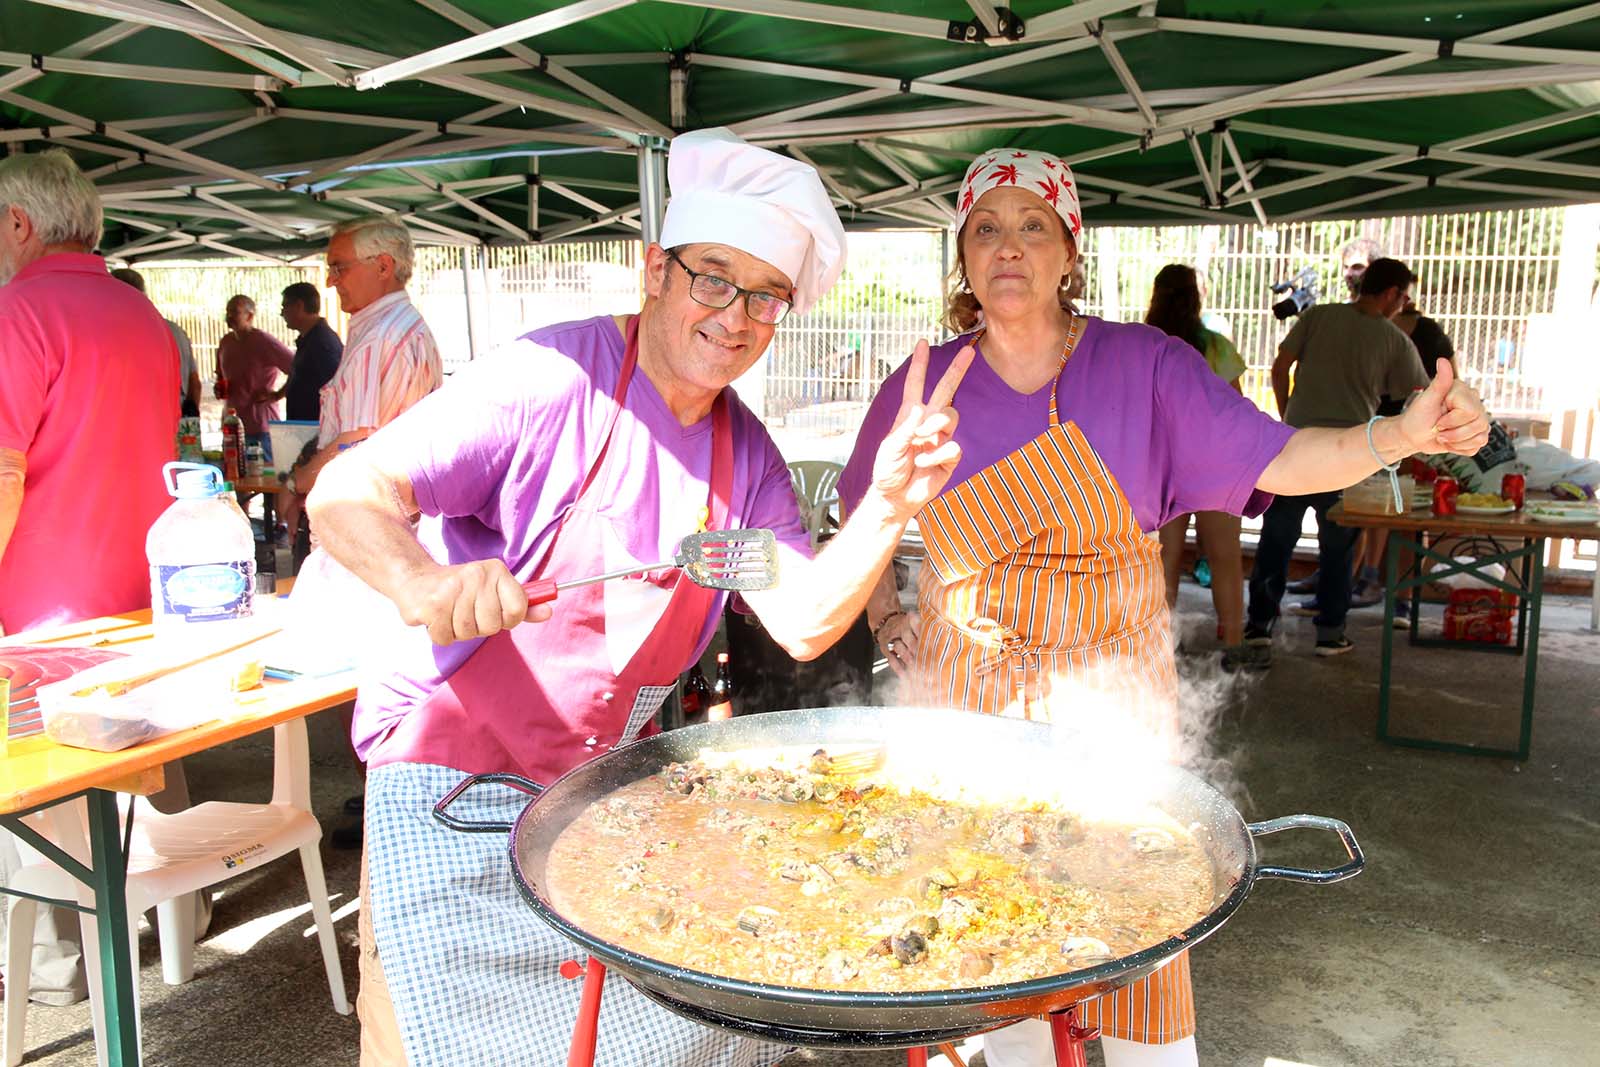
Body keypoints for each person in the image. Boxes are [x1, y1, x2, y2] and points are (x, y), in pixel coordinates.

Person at [305, 127, 970, 1067]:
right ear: (656, 268)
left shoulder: (745, 465)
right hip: (449, 788)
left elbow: (807, 614)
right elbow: (346, 491)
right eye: (712, 277)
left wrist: (892, 502)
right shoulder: (548, 383)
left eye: (766, 294)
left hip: (592, 802)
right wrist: (427, 581)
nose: (734, 316)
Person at [841, 148, 1489, 1067]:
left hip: (1112, 715)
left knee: (1138, 960)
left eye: (1033, 225)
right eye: (986, 227)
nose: (1009, 247)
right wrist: (884, 617)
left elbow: (1283, 460)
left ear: (1071, 248)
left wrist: (1398, 435)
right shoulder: (925, 382)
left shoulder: (1144, 364)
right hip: (968, 721)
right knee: (994, 969)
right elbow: (861, 512)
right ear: (963, 253)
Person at [0, 148, 179, 1004]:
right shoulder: (142, 317)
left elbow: (1, 472)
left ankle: (56, 969)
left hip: (42, 609)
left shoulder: (17, 312)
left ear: (20, 224)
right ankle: (170, 911)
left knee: (41, 799)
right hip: (144, 589)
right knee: (153, 758)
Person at [1246, 258, 1432, 660]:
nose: (1404, 305)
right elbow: (1419, 394)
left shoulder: (1319, 318)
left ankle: (1258, 626)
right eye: (1403, 297)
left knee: (1276, 539)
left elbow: (1280, 368)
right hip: (1348, 455)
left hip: (1292, 447)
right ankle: (1330, 633)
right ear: (1389, 294)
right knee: (1339, 548)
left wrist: (1286, 415)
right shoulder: (1394, 340)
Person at [1144, 264, 1253, 670]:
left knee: (1164, 559)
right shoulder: (1216, 347)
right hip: (1215, 465)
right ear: (1196, 297)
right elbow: (1237, 406)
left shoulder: (1144, 343)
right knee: (1225, 555)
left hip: (1159, 467)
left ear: (1156, 295)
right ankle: (1234, 646)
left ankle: (1161, 646)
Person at [269, 281, 344, 545]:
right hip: (309, 440)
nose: (282, 313)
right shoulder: (310, 340)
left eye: (285, 307)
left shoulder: (323, 344)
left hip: (320, 444)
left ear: (299, 306)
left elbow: (335, 399)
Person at [111, 266, 199, 417]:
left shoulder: (121, 333)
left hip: (144, 418)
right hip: (179, 414)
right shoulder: (175, 330)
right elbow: (194, 383)